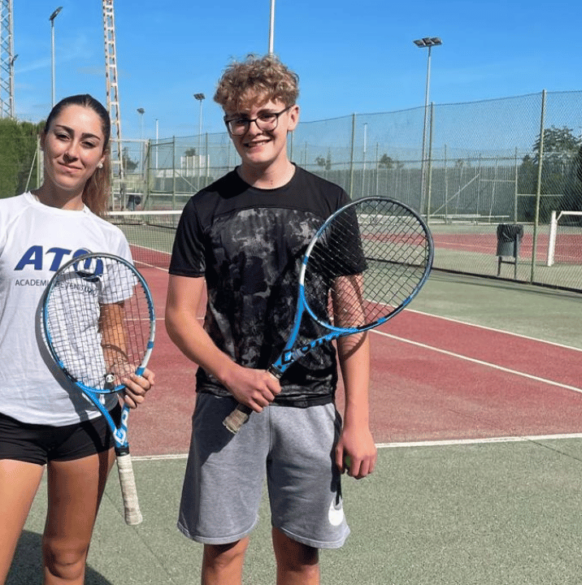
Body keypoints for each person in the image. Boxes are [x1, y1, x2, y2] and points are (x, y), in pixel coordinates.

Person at [165, 54, 377, 585]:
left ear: (292, 116)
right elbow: (180, 318)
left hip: (311, 407)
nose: (253, 128)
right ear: (229, 125)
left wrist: (358, 421)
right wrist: (231, 373)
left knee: (301, 558)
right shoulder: (204, 207)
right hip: (224, 402)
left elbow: (350, 322)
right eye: (240, 118)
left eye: (266, 115)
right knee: (222, 555)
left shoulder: (331, 202)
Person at [0, 93, 155, 585]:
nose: (73, 151)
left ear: (100, 157)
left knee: (66, 563)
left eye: (88, 142)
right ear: (44, 138)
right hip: (11, 421)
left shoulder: (108, 239)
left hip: (91, 421)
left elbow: (112, 329)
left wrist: (120, 371)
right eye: (64, 135)